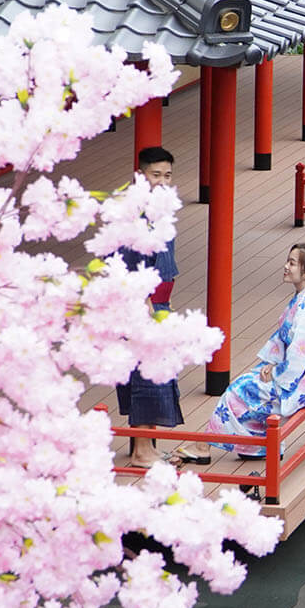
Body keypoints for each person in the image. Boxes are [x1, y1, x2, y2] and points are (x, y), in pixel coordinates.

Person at [176, 244, 305, 463]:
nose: (286, 266)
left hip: (304, 381)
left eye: (292, 263)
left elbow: (298, 359)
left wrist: (276, 372)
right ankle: (258, 446)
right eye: (288, 261)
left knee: (237, 391)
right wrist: (273, 365)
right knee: (250, 382)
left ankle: (203, 446)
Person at [114, 146, 183, 469]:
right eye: (156, 175)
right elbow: (129, 265)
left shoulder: (160, 209)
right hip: (141, 303)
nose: (162, 181)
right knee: (146, 376)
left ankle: (145, 446)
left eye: (167, 175)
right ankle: (142, 450)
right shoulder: (134, 212)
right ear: (141, 175)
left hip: (160, 300)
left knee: (154, 374)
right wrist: (145, 308)